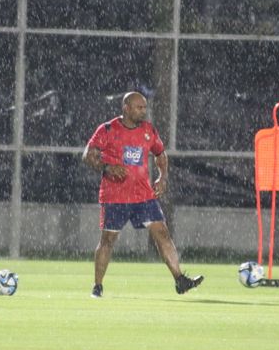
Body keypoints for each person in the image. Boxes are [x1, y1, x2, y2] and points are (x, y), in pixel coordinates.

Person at [82, 91, 203, 298]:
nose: (143, 111)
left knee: (162, 233)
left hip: (143, 196)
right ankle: (98, 286)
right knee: (108, 240)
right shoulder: (108, 129)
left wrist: (162, 177)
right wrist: (107, 167)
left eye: (145, 107)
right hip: (115, 196)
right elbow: (88, 155)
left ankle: (180, 280)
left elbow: (160, 154)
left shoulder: (148, 130)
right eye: (139, 107)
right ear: (126, 108)